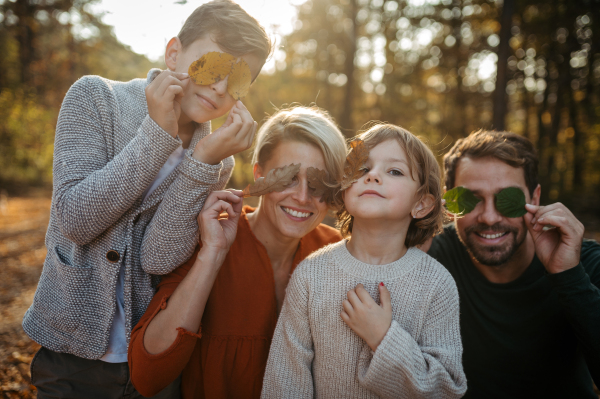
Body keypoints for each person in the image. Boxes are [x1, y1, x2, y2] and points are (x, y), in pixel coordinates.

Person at [23, 1, 271, 397]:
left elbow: (157, 258)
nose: (221, 88)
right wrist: (157, 134)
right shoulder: (96, 98)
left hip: (150, 358)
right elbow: (75, 219)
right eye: (213, 67)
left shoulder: (215, 158)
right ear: (174, 53)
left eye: (239, 80)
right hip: (69, 353)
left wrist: (203, 160)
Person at [127, 106, 347, 398]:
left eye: (319, 183)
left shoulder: (337, 253)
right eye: (288, 177)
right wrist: (212, 255)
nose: (303, 197)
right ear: (259, 175)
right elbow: (147, 375)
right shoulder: (208, 237)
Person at [261, 124, 468, 398]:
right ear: (344, 189)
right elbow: (285, 381)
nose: (372, 176)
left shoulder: (436, 284)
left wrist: (383, 338)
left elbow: (446, 389)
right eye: (362, 169)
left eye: (394, 171)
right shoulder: (311, 275)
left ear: (422, 203)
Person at [426, 130, 600, 398]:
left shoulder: (584, 263)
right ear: (450, 202)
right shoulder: (430, 258)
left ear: (535, 197)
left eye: (509, 199)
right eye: (472, 198)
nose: (489, 217)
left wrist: (569, 277)